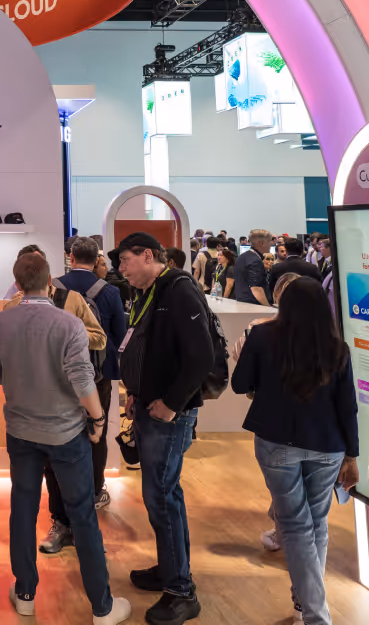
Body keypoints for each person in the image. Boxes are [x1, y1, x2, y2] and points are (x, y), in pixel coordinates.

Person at [0, 251, 130, 625]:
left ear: (18, 284)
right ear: (51, 283)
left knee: (23, 509)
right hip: (66, 432)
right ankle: (101, 606)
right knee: (82, 513)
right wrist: (98, 417)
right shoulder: (69, 324)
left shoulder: (2, 322)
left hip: (20, 431)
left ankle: (26, 593)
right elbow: (83, 380)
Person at [230, 278, 358, 625]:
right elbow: (348, 407)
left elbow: (240, 384)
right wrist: (352, 455)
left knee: (296, 527)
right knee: (315, 524)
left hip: (277, 442)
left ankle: (315, 614)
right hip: (328, 446)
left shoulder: (262, 337)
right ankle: (305, 606)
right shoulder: (337, 347)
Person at [117, 231, 213, 623]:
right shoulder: (151, 292)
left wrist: (172, 405)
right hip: (150, 408)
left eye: (125, 260)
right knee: (160, 495)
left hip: (168, 415)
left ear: (148, 255)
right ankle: (170, 569)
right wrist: (137, 390)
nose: (121, 268)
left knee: (162, 496)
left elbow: (201, 355)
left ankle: (181, 591)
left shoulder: (177, 290)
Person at [58, 236, 126, 511]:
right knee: (97, 429)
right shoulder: (109, 292)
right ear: (97, 259)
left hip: (62, 373)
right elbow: (121, 336)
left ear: (71, 258)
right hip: (100, 374)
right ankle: (96, 490)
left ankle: (65, 490)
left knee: (64, 430)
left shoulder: (56, 289)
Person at [233, 229, 273, 305]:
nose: (271, 244)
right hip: (254, 305)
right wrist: (268, 307)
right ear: (261, 243)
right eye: (269, 241)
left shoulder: (241, 257)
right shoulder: (255, 261)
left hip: (242, 301)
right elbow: (256, 288)